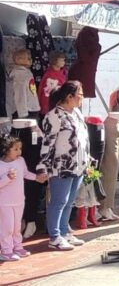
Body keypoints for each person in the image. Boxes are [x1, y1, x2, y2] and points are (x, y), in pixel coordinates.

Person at [36, 81, 91, 250]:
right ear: (69, 97)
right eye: (80, 94)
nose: (82, 98)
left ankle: (64, 230)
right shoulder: (54, 116)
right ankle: (54, 236)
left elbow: (83, 139)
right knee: (59, 200)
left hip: (77, 165)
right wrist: (42, 167)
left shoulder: (77, 114)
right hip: (61, 165)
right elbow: (48, 143)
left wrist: (88, 160)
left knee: (69, 201)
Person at [0, 135, 46, 260]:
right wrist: (7, 178)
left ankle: (17, 246)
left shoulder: (20, 161)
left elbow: (25, 174)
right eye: (15, 149)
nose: (19, 152)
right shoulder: (1, 165)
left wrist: (37, 178)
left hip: (19, 200)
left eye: (20, 149)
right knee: (7, 227)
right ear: (6, 150)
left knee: (16, 226)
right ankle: (5, 250)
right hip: (4, 203)